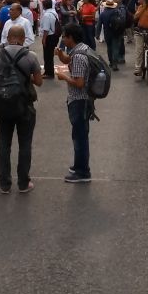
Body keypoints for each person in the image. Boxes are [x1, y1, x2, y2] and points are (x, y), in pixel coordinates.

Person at [0, 26, 43, 194]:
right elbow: (39, 82)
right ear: (23, 37)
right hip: (24, 105)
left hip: (3, 105)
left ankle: (4, 184)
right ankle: (23, 183)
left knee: (4, 144)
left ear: (9, 37)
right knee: (25, 144)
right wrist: (27, 77)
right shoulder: (31, 56)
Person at [54, 23, 92, 183]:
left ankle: (82, 172)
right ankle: (79, 165)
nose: (63, 39)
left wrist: (63, 77)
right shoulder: (82, 49)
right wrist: (61, 55)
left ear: (71, 38)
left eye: (64, 36)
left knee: (79, 137)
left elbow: (79, 83)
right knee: (80, 135)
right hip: (81, 100)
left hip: (79, 100)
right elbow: (67, 60)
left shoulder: (78, 57)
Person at [100, 0, 124, 70]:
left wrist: (97, 34)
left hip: (107, 33)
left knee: (109, 48)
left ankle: (111, 62)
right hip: (116, 33)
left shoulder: (103, 14)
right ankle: (115, 63)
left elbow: (99, 24)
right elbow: (122, 21)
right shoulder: (117, 12)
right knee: (116, 48)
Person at [39, 0, 60, 78]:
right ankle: (49, 71)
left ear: (44, 6)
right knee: (50, 55)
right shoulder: (54, 13)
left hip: (49, 37)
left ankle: (49, 73)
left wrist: (44, 39)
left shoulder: (47, 15)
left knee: (47, 55)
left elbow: (46, 29)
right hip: (54, 36)